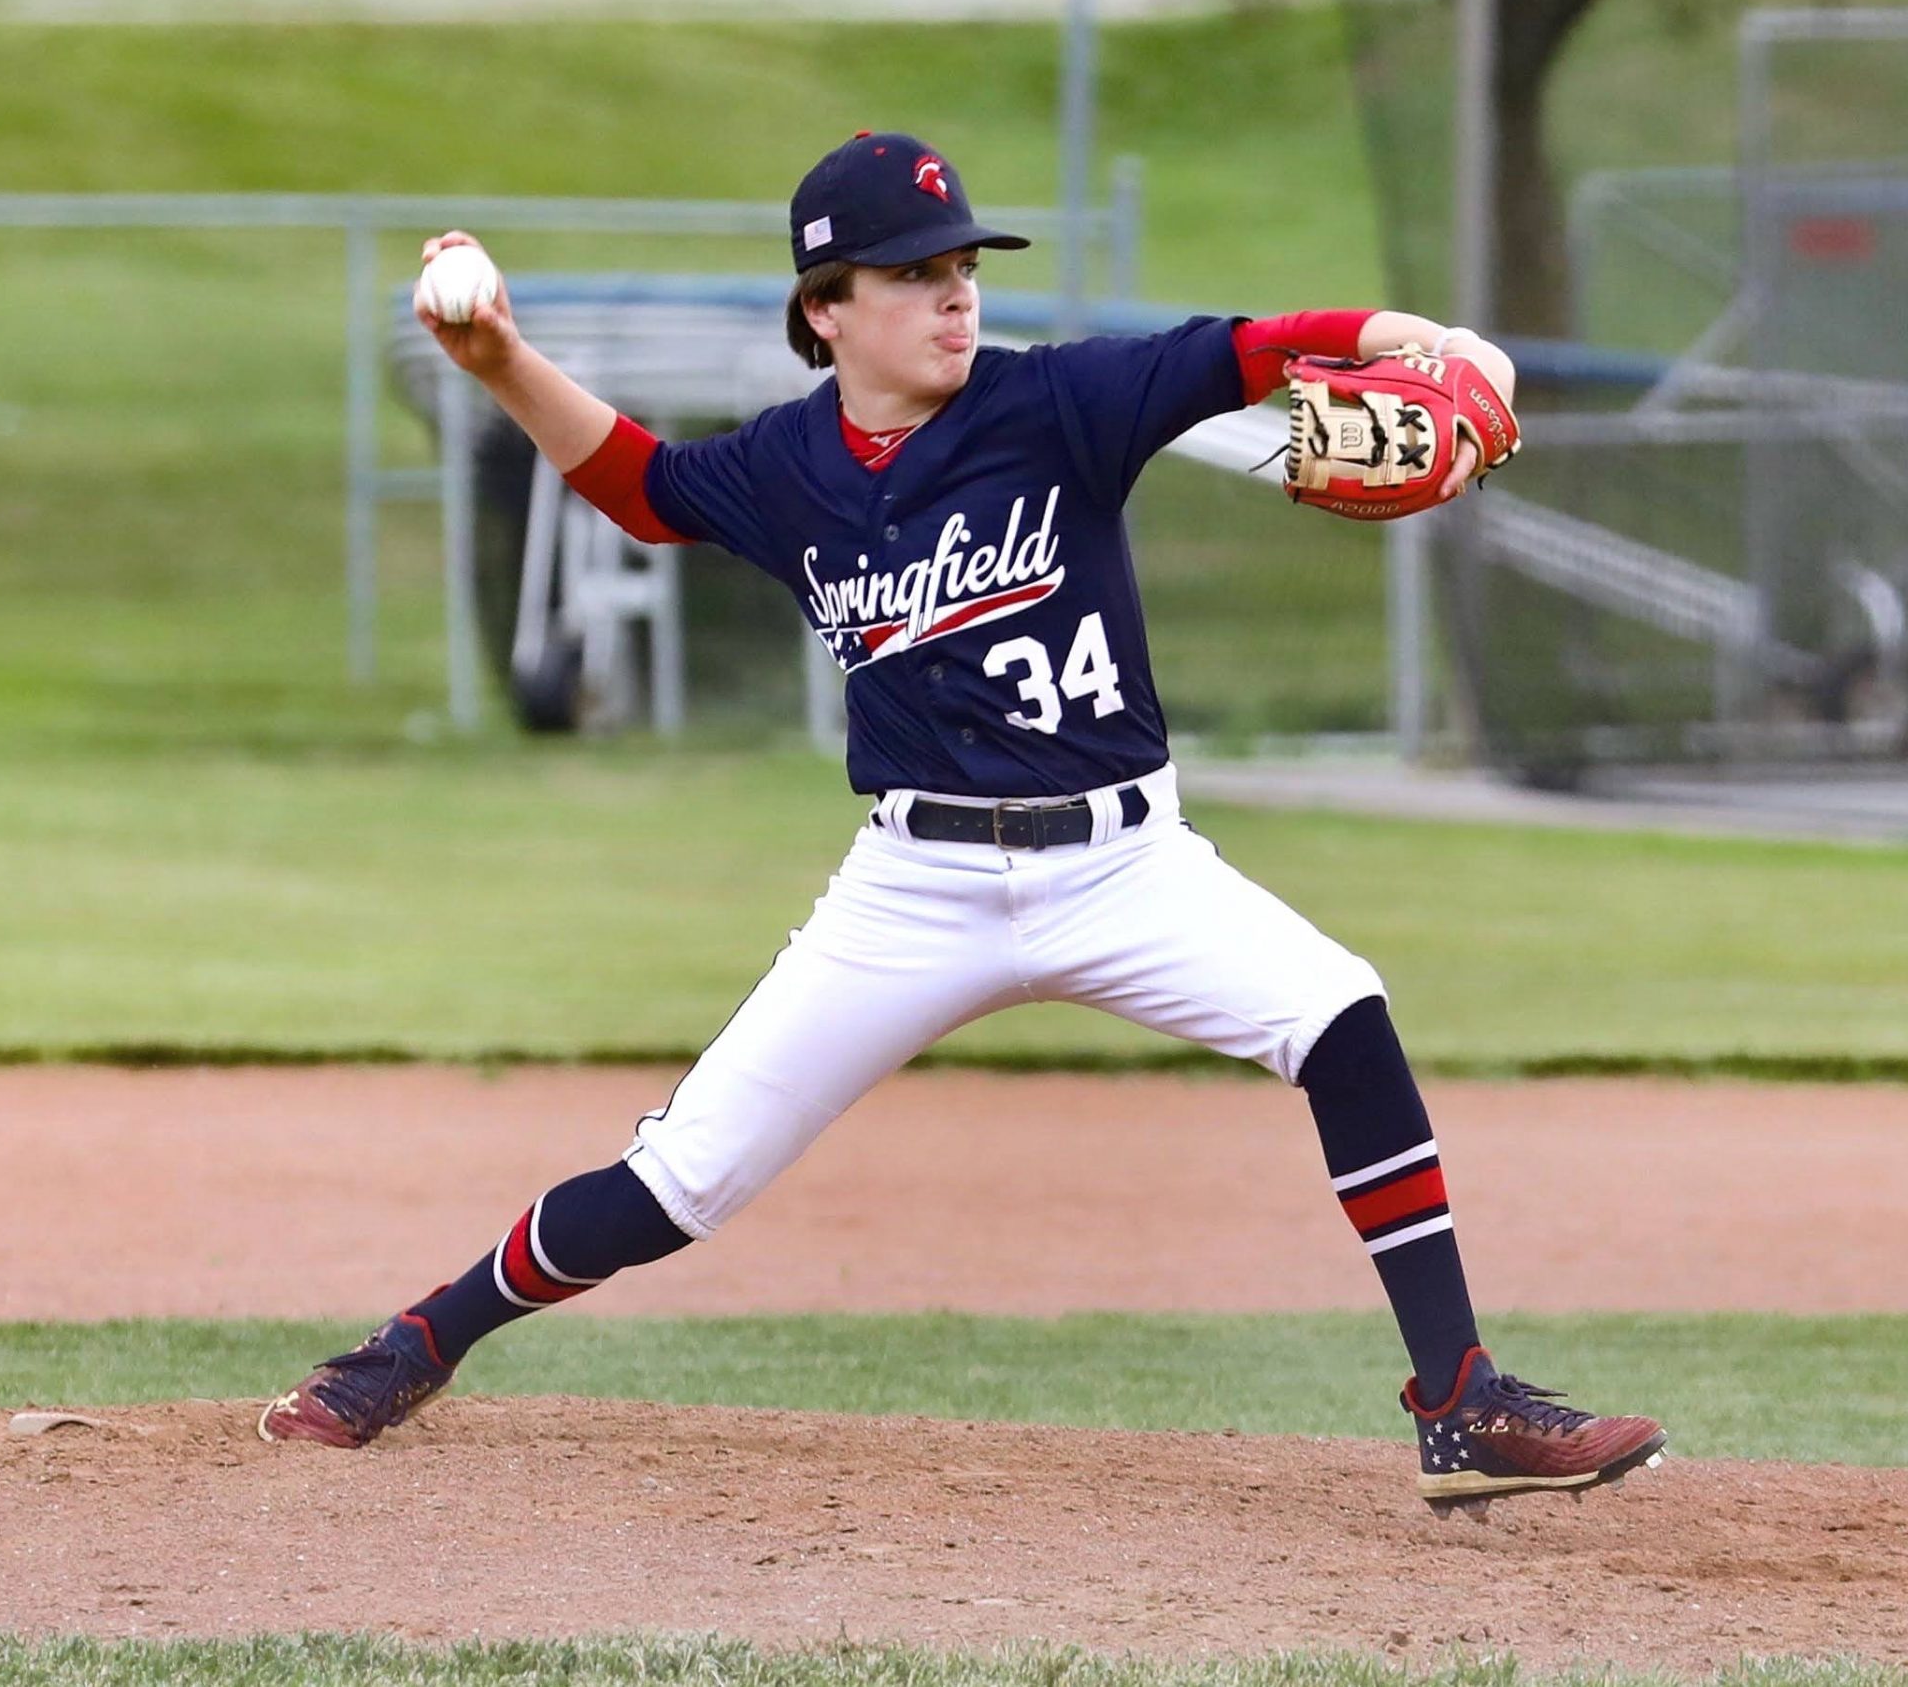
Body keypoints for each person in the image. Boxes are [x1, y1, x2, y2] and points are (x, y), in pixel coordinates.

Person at [258, 131, 1666, 1508]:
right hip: (913, 888)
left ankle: (1458, 1397)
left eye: (964, 263)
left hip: (1127, 862)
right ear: (826, 309)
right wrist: (498, 359)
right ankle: (416, 1343)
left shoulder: (1060, 402)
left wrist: (1417, 334)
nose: (956, 291)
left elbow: (1251, 345)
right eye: (914, 269)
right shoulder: (788, 468)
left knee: (1343, 1017)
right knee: (679, 1182)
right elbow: (641, 489)